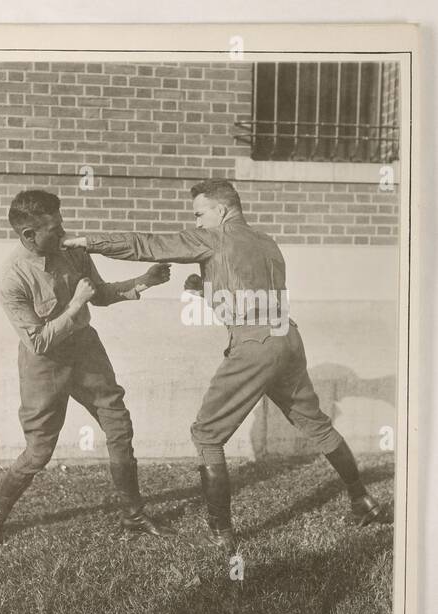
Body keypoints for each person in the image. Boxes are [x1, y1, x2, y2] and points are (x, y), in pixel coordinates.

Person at [62, 178, 389, 554]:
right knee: (316, 424)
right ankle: (362, 500)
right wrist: (205, 288)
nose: (197, 222)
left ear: (222, 209)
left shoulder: (214, 237)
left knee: (207, 434)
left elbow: (146, 245)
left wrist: (87, 242)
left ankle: (221, 535)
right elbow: (253, 292)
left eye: (200, 214)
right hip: (288, 338)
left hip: (254, 346)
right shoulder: (267, 242)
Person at [0, 189, 172, 550]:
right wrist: (75, 304)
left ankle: (134, 515)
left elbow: (99, 293)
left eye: (61, 221)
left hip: (86, 351)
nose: (64, 231)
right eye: (54, 227)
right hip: (44, 365)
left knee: (119, 425)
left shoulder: (72, 251)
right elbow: (38, 342)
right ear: (29, 236)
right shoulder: (11, 278)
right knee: (39, 452)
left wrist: (144, 280)